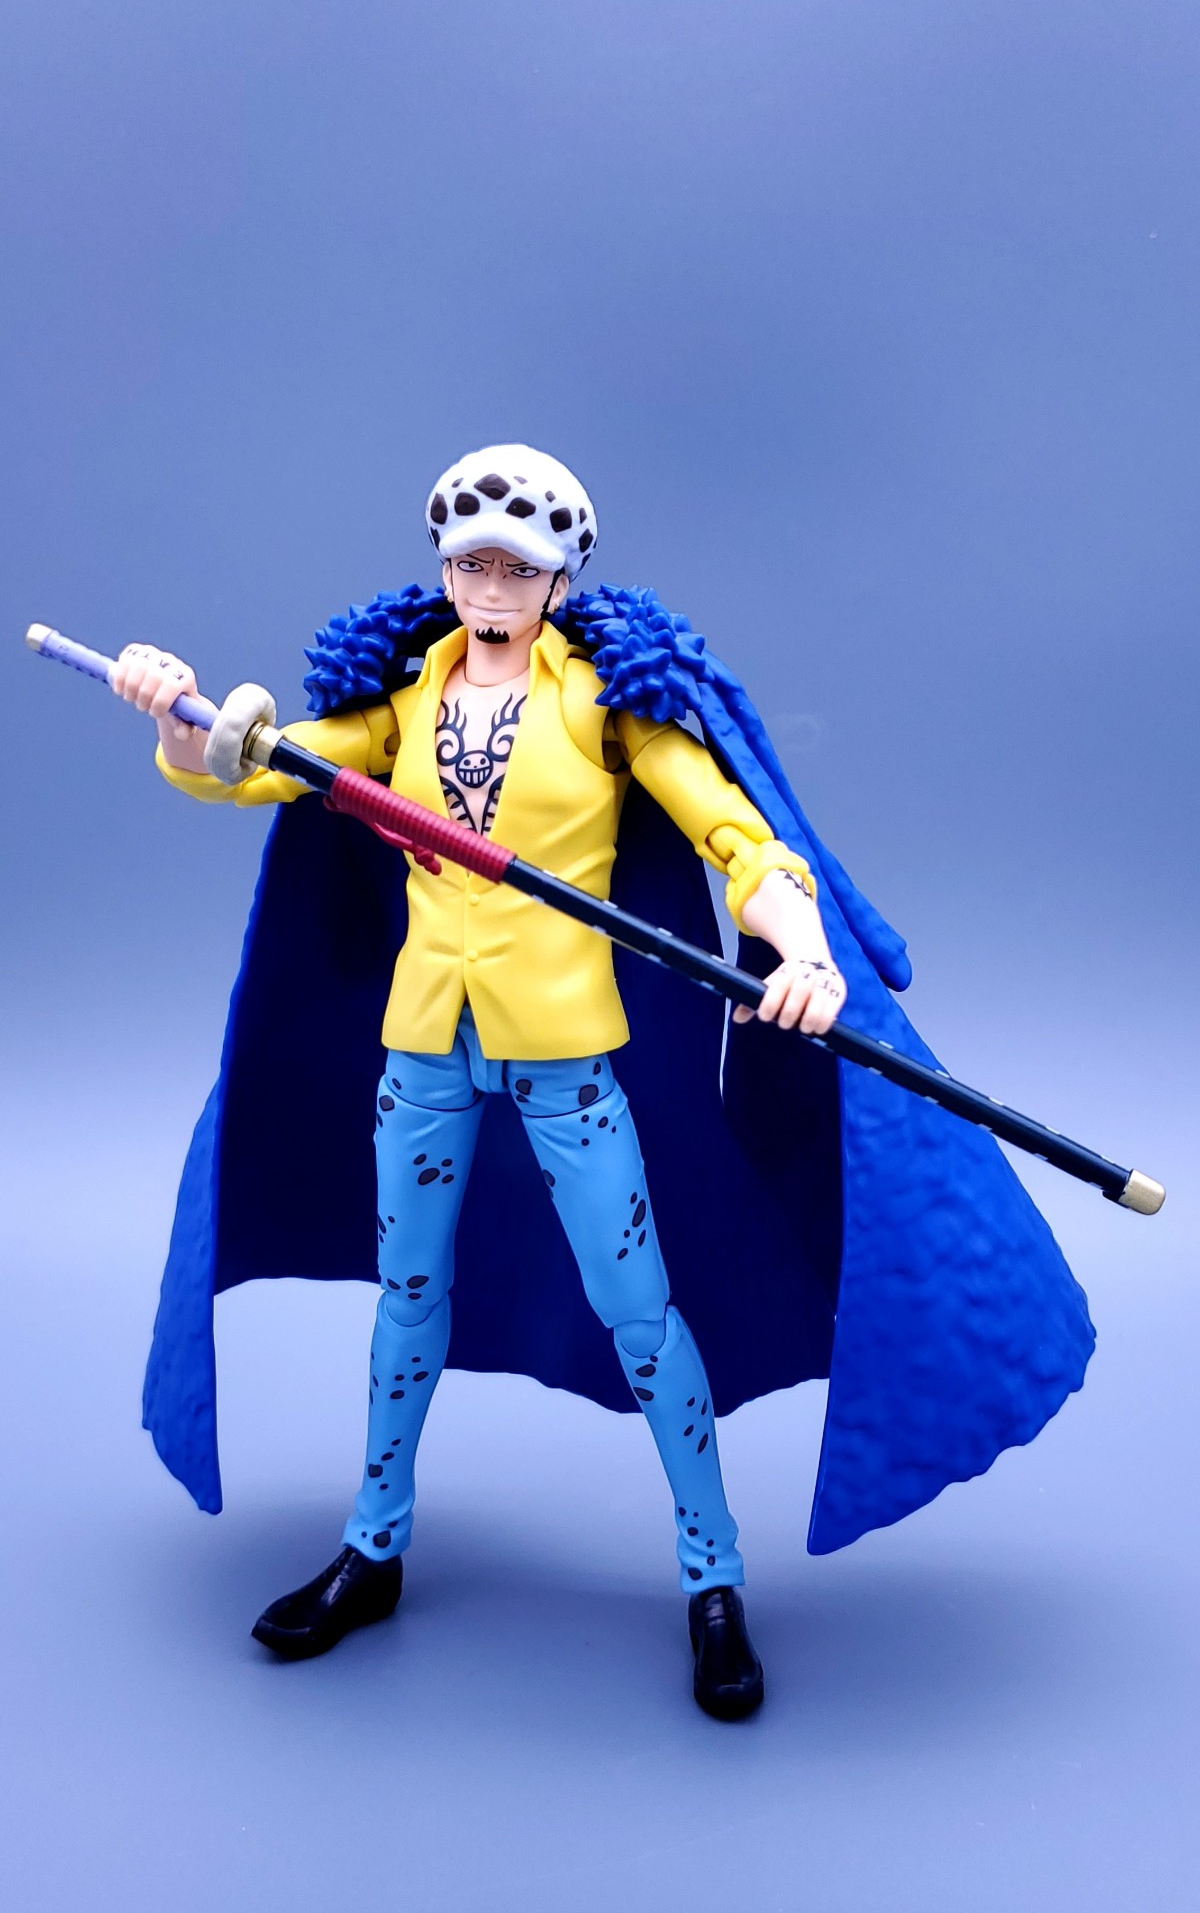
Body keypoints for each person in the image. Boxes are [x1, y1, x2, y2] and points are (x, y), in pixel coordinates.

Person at [113, 443, 1095, 1721]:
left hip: (564, 1054)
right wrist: (180, 718)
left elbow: (737, 836)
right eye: (471, 564)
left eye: (516, 568)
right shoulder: (402, 702)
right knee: (408, 1301)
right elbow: (258, 762)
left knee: (641, 1313)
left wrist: (802, 951)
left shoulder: (603, 707)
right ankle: (372, 1544)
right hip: (426, 1045)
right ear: (444, 571)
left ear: (560, 580)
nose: (490, 588)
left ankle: (712, 1575)